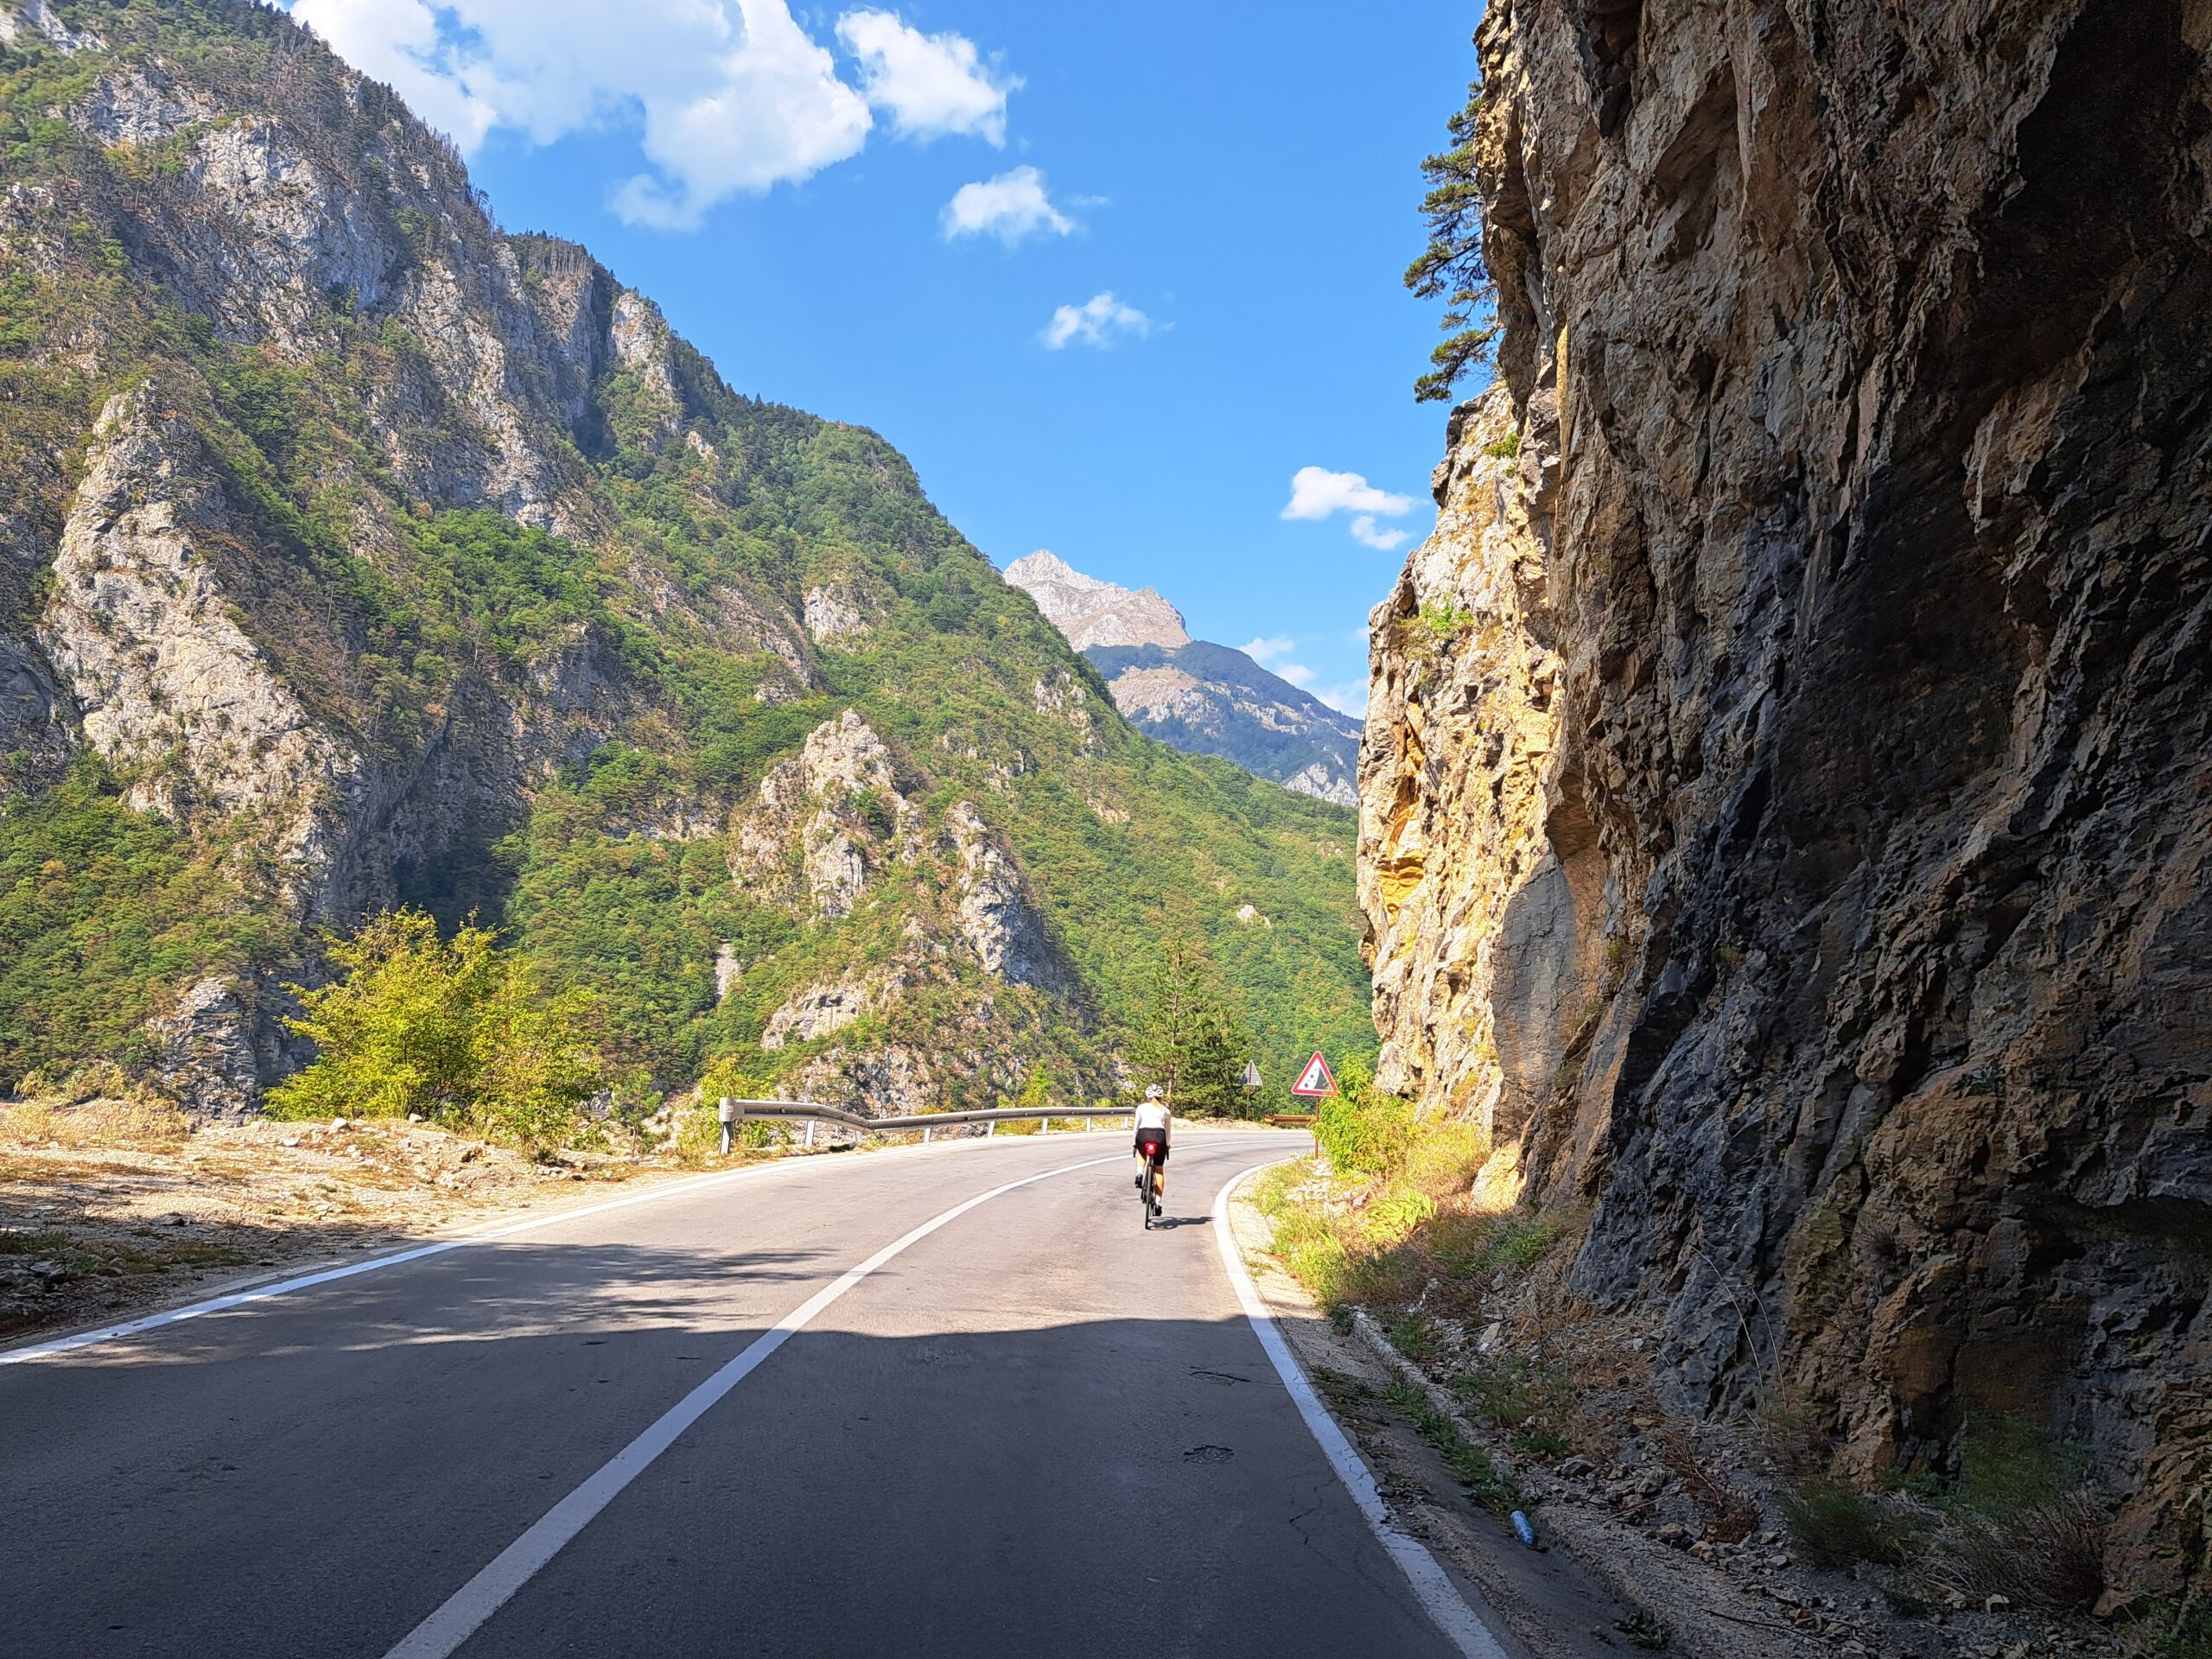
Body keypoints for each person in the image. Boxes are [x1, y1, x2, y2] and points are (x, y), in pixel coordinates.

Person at [1133, 1084, 1172, 1205]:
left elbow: (1136, 1128)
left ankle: (1139, 1174)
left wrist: (1135, 1142)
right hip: (1159, 1136)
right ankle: (1158, 1202)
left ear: (1147, 1096)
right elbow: (1168, 1131)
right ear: (1161, 1096)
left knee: (1142, 1152)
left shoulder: (1141, 1108)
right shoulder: (1166, 1111)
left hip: (1143, 1134)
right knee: (1159, 1170)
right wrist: (1167, 1144)